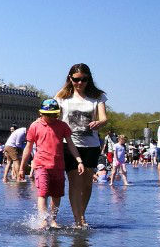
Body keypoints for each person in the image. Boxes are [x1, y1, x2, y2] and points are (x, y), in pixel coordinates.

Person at [55, 63, 109, 226]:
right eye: (77, 79)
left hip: (91, 145)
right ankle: (78, 219)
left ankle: (81, 213)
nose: (80, 83)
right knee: (74, 182)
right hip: (69, 144)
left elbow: (104, 118)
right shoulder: (62, 97)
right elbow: (54, 118)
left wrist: (99, 123)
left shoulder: (98, 96)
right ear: (70, 79)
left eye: (84, 80)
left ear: (89, 79)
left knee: (87, 183)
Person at [19, 98, 84, 229]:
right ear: (41, 113)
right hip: (41, 165)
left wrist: (79, 161)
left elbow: (71, 144)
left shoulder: (62, 126)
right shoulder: (35, 126)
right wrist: (22, 167)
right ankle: (43, 220)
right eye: (48, 115)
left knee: (56, 195)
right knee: (42, 193)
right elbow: (28, 147)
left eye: (54, 114)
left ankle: (53, 219)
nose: (51, 117)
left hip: (58, 166)